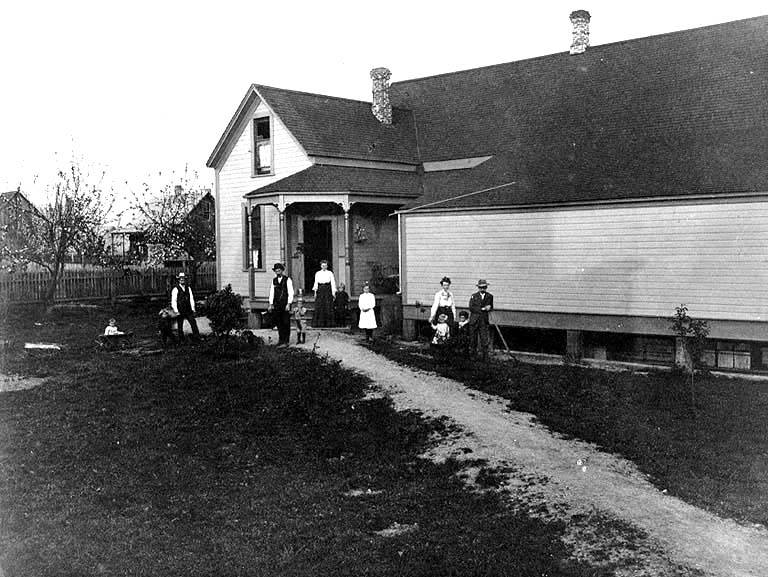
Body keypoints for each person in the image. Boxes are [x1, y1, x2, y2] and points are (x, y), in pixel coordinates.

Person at [268, 262, 294, 346]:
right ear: (275, 271)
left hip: (285, 304)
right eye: (276, 270)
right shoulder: (274, 280)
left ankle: (286, 341)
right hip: (276, 304)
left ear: (282, 270)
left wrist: (289, 303)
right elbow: (272, 292)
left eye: (279, 270)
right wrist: (271, 303)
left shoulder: (287, 279)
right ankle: (281, 340)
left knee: (286, 322)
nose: (278, 271)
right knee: (279, 322)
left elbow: (291, 292)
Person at [468, 279, 494, 361]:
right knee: (473, 339)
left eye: (484, 287)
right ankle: (473, 356)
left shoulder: (490, 296)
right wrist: (483, 309)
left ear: (486, 287)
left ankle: (485, 357)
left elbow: (491, 307)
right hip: (474, 320)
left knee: (484, 339)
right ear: (478, 288)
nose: (483, 289)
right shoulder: (474, 296)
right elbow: (471, 308)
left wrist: (489, 308)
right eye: (481, 287)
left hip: (483, 320)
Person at [171, 272, 200, 342]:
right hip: (180, 310)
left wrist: (193, 309)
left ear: (185, 280)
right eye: (181, 279)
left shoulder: (188, 288)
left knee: (193, 322)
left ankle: (197, 338)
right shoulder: (175, 289)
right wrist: (176, 311)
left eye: (183, 279)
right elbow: (173, 301)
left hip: (188, 309)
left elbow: (191, 299)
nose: (182, 280)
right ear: (179, 280)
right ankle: (182, 340)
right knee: (180, 325)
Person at [312, 259, 336, 327]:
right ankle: (319, 323)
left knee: (328, 305)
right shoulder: (318, 273)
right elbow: (316, 283)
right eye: (322, 265)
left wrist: (333, 292)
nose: (324, 267)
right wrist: (315, 292)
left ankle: (329, 323)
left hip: (327, 289)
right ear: (320, 266)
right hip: (320, 289)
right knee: (320, 305)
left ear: (327, 266)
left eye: (325, 266)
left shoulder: (330, 273)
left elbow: (333, 283)